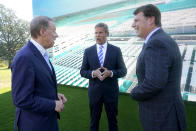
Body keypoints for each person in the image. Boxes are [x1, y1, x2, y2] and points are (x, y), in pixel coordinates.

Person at [130, 4, 186, 131]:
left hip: (162, 118)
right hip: (166, 114)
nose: (133, 25)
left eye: (136, 20)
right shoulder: (161, 39)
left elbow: (154, 83)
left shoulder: (157, 43)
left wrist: (135, 92)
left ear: (151, 19)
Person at [11, 16, 67, 131]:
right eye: (54, 31)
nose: (56, 35)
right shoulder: (24, 57)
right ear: (42, 32)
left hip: (45, 121)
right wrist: (53, 104)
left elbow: (37, 86)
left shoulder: (40, 53)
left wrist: (53, 96)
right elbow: (21, 99)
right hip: (35, 125)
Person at [80, 23, 127, 131]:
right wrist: (93, 73)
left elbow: (123, 71)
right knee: (94, 122)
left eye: (100, 32)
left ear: (107, 34)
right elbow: (82, 71)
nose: (97, 35)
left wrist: (110, 73)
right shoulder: (88, 51)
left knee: (113, 122)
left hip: (111, 92)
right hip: (94, 93)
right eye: (96, 33)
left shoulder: (116, 50)